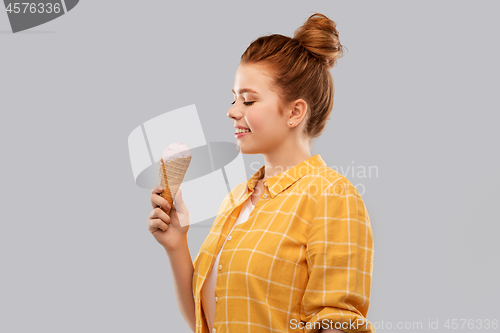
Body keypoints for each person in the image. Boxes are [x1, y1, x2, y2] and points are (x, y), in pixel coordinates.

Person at [148, 13, 375, 333]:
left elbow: (336, 324)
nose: (232, 111)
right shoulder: (236, 200)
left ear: (295, 112)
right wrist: (176, 242)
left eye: (249, 100)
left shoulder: (331, 196)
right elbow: (207, 321)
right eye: (233, 98)